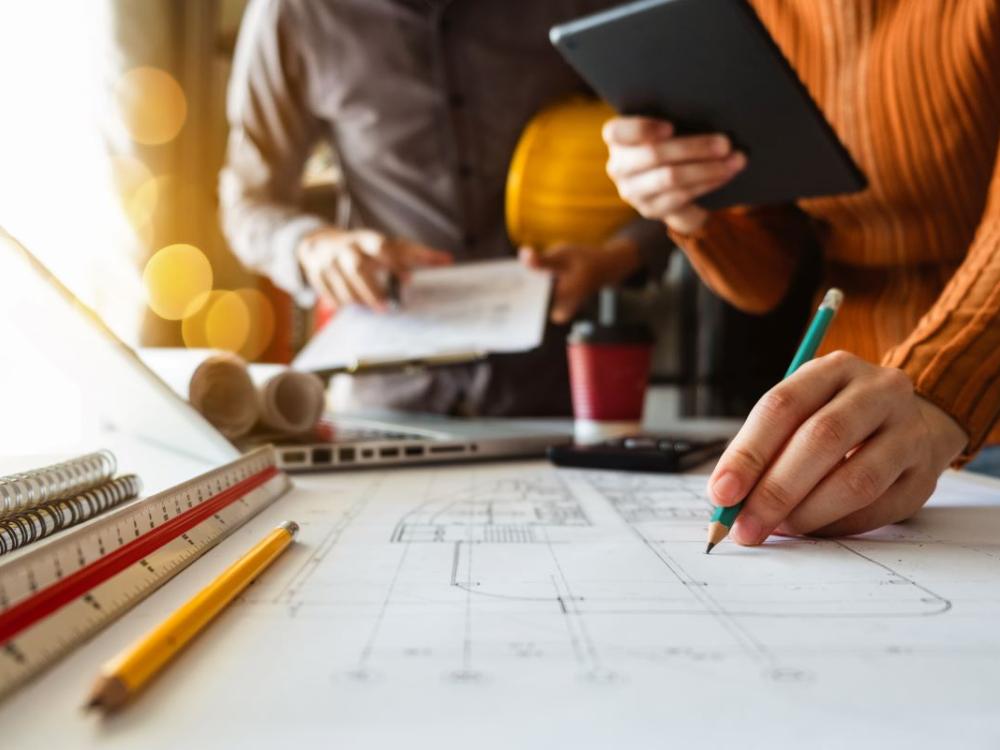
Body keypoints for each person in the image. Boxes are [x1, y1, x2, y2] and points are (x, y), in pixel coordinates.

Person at [603, 0, 1000, 544]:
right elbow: (768, 280)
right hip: (839, 431)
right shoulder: (759, 13)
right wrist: (691, 209)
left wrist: (938, 387)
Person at [219, 0, 670, 417]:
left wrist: (616, 258)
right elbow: (248, 201)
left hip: (556, 390)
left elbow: (674, 154)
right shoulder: (295, 11)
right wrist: (313, 248)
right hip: (386, 403)